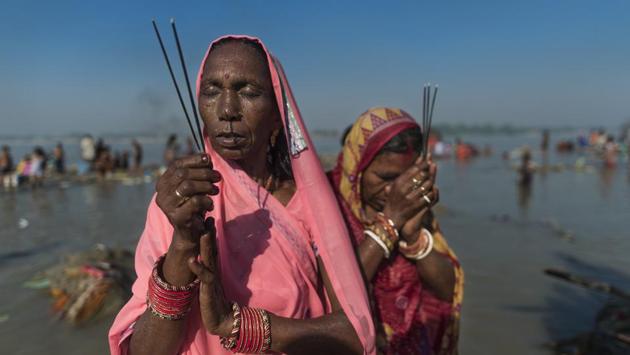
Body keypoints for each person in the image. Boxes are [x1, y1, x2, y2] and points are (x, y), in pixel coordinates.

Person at [109, 36, 374, 355]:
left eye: (248, 91)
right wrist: (183, 242)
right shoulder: (178, 204)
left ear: (278, 113)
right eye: (211, 91)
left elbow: (355, 334)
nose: (227, 110)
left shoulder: (308, 204)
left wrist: (235, 323)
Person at [329, 108, 463, 354]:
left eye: (405, 178)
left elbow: (446, 291)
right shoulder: (325, 204)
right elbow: (336, 294)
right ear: (355, 166)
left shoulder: (409, 202)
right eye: (385, 177)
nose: (395, 190)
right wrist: (391, 221)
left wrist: (413, 237)